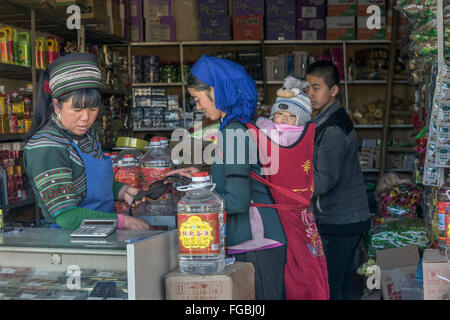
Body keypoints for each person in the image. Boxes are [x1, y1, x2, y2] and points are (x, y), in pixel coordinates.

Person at [166, 54, 287, 299]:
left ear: (215, 90)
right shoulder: (234, 127)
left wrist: (194, 201)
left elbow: (238, 200)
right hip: (255, 241)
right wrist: (199, 181)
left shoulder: (233, 131)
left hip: (257, 243)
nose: (198, 106)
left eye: (197, 99)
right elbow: (235, 179)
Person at [23, 52, 149, 231]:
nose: (86, 118)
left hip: (101, 236)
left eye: (93, 108)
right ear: (56, 105)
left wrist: (121, 191)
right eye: (77, 109)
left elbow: (86, 184)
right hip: (71, 244)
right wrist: (125, 222)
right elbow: (67, 217)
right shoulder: (46, 147)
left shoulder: (85, 135)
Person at [305, 60, 373, 300]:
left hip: (341, 221)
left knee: (333, 286)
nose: (310, 94)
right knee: (343, 284)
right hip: (344, 218)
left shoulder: (332, 128)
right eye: (308, 88)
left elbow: (324, 181)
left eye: (316, 88)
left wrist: (293, 184)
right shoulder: (325, 120)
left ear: (333, 91)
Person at [256, 76, 312, 146]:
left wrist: (264, 123)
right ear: (273, 116)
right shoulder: (276, 126)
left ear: (301, 120)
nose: (284, 118)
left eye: (292, 115)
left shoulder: (296, 133)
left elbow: (277, 141)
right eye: (279, 113)